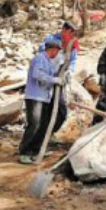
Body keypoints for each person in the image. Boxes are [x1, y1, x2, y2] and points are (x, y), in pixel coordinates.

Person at [19, 34, 65, 164]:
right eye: (57, 51)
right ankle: (25, 151)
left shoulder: (49, 62)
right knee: (34, 124)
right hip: (35, 97)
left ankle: (35, 149)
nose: (57, 54)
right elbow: (37, 74)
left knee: (43, 125)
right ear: (53, 49)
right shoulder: (40, 58)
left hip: (44, 98)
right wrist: (54, 80)